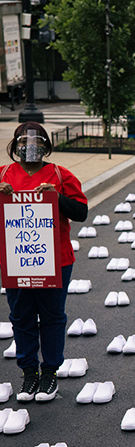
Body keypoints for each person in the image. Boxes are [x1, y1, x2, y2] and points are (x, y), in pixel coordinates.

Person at [0, 122, 88, 403]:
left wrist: (57, 197)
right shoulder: (3, 175)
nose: (30, 147)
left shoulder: (61, 175)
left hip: (56, 259)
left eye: (36, 142)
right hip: (17, 260)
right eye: (24, 142)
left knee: (51, 316)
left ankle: (50, 372)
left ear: (46, 146)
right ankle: (29, 373)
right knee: (21, 316)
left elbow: (81, 212)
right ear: (15, 146)